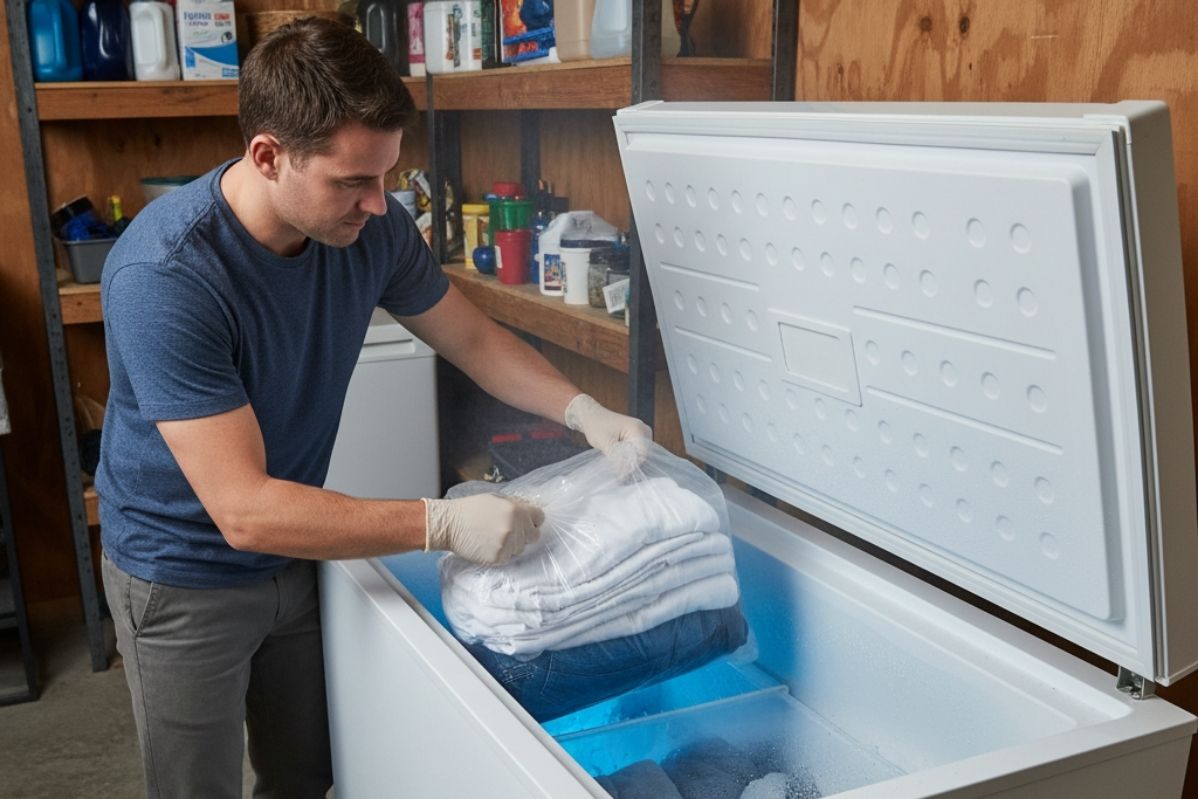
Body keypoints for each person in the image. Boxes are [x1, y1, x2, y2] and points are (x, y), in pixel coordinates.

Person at [95, 16, 650, 799]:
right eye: (352, 181)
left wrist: (583, 408)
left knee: (310, 772)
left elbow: (475, 342)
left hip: (300, 547)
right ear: (267, 155)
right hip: (182, 573)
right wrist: (442, 521)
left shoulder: (373, 228)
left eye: (386, 175)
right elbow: (245, 511)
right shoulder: (166, 276)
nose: (379, 203)